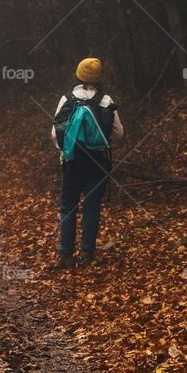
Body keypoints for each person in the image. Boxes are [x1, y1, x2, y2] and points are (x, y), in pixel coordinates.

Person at [49, 57, 123, 271]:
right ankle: (87, 253)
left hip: (72, 160)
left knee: (68, 206)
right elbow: (119, 133)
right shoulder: (106, 100)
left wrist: (66, 150)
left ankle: (65, 254)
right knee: (92, 206)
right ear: (99, 78)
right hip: (98, 160)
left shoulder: (67, 99)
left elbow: (56, 134)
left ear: (78, 75)